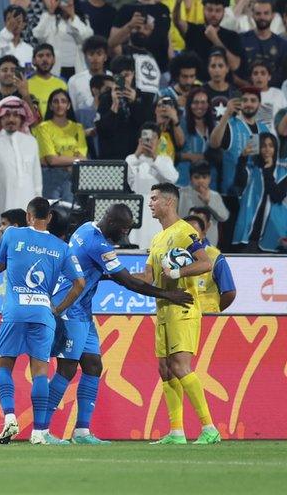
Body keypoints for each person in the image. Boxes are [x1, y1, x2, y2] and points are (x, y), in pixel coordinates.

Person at [43, 204, 192, 444]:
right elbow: (129, 283)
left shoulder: (84, 229)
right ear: (110, 221)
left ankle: (81, 432)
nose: (124, 235)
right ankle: (42, 431)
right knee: (66, 369)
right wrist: (168, 295)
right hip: (68, 309)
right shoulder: (100, 245)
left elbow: (96, 270)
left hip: (82, 310)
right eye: (123, 229)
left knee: (93, 365)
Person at [0, 196, 85, 445]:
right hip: (44, 313)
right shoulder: (62, 247)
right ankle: (39, 432)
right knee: (40, 372)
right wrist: (59, 307)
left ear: (28, 215)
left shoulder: (12, 234)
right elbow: (80, 283)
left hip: (14, 311)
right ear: (50, 218)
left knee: (3, 366)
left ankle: (10, 416)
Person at [144, 182, 221, 445]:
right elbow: (147, 276)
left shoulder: (184, 232)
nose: (150, 203)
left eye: (154, 198)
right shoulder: (156, 239)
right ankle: (176, 432)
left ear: (168, 202)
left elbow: (205, 262)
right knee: (165, 369)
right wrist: (112, 274)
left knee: (180, 366)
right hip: (163, 309)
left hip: (183, 308)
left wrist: (176, 273)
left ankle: (209, 428)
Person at [0, 96, 41, 215]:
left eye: (16, 115)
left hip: (28, 209)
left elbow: (37, 181)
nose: (11, 119)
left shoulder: (31, 142)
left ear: (22, 118)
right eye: (6, 115)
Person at [231, 132, 287, 252]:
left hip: (273, 233)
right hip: (250, 232)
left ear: (275, 148)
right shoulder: (251, 169)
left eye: (271, 145)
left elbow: (276, 196)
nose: (267, 149)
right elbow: (239, 182)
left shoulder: (283, 172)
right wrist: (243, 158)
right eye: (263, 146)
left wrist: (268, 171)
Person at [210, 87, 271, 195]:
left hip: (255, 194)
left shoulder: (264, 129)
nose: (249, 104)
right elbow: (214, 144)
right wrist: (227, 114)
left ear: (259, 104)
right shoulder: (230, 124)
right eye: (245, 100)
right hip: (231, 193)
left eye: (253, 100)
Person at [33, 89, 85, 203]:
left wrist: (60, 159)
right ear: (50, 106)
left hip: (72, 177)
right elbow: (51, 160)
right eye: (55, 101)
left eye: (63, 101)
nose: (59, 104)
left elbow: (83, 158)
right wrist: (73, 160)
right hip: (50, 178)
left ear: (68, 105)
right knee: (52, 214)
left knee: (71, 215)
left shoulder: (78, 128)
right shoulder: (43, 128)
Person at [183, 215, 236, 313]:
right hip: (182, 318)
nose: (189, 237)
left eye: (193, 234)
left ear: (203, 234)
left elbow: (229, 293)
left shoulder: (214, 257)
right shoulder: (174, 256)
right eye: (185, 233)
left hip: (207, 320)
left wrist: (213, 311)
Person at [178, 161, 229, 245]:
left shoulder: (214, 195)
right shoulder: (181, 193)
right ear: (191, 178)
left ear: (209, 179)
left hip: (209, 244)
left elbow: (224, 217)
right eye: (197, 177)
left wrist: (209, 202)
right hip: (184, 241)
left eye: (204, 177)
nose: (201, 181)